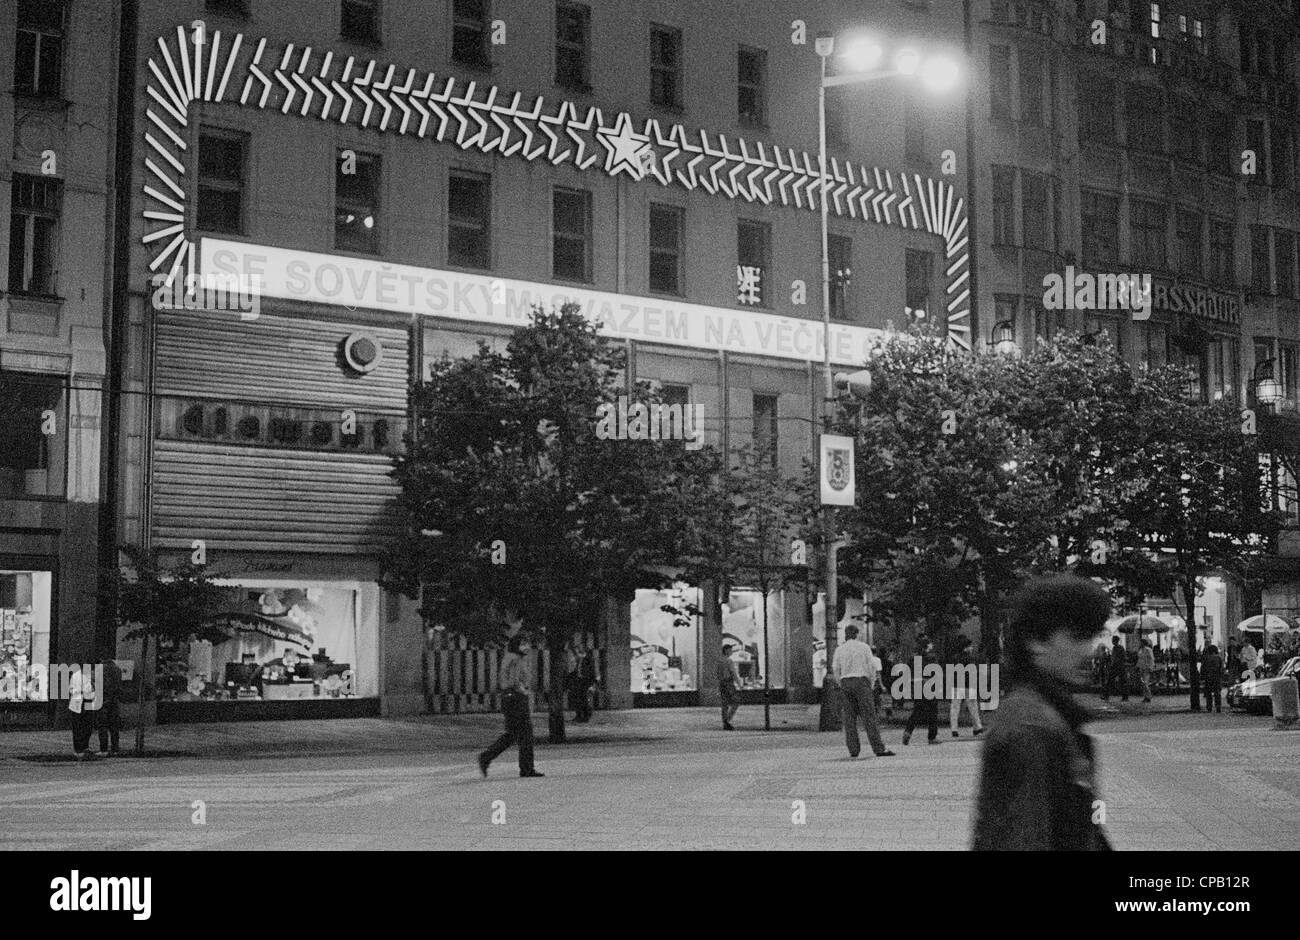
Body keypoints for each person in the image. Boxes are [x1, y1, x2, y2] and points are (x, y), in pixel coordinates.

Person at [971, 574, 1113, 851]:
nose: (1089, 651)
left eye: (1093, 636)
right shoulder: (1031, 728)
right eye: (1077, 637)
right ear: (1036, 642)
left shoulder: (1050, 715)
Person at [478, 634, 544, 778]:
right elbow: (514, 680)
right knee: (526, 734)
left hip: (509, 698)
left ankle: (486, 757)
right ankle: (526, 768)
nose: (526, 647)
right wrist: (523, 691)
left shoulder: (511, 657)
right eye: (523, 644)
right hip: (516, 698)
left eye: (527, 644)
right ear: (516, 645)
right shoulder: (515, 659)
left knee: (513, 734)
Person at [832, 624, 895, 759]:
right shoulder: (864, 647)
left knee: (849, 718)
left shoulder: (839, 649)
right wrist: (871, 684)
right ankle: (878, 748)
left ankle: (853, 750)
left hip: (845, 682)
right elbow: (871, 667)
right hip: (862, 681)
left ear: (846, 634)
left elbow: (835, 668)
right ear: (856, 634)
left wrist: (841, 682)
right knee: (869, 716)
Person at [902, 635, 940, 746]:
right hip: (928, 684)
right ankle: (932, 737)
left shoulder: (913, 658)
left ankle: (908, 731)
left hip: (917, 685)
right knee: (933, 710)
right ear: (927, 646)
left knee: (917, 710)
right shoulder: (931, 658)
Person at [949, 635, 985, 737]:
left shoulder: (955, 658)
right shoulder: (971, 659)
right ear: (965, 648)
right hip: (969, 685)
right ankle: (977, 727)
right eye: (970, 646)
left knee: (955, 707)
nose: (972, 648)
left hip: (956, 685)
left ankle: (954, 729)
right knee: (973, 707)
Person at [67, 663, 99, 761]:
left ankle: (84, 746)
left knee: (87, 726)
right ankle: (78, 749)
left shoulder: (91, 676)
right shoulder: (76, 675)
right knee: (78, 726)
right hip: (78, 702)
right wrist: (80, 691)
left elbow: (94, 688)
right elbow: (71, 689)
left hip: (87, 702)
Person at [96, 658, 123, 756]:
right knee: (114, 726)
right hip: (114, 700)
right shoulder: (118, 669)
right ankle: (115, 748)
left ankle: (104, 750)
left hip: (103, 699)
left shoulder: (99, 669)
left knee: (102, 725)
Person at [718, 643, 742, 730]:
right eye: (730, 650)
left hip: (721, 683)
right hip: (728, 683)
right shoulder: (729, 661)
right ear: (726, 651)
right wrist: (739, 684)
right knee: (736, 701)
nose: (732, 651)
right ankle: (727, 720)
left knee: (724, 704)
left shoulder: (720, 660)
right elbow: (733, 673)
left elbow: (717, 673)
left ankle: (725, 721)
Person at [1102, 635, 1128, 702]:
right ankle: (1106, 696)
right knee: (1112, 681)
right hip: (1115, 667)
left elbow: (1123, 657)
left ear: (1116, 641)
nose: (1112, 641)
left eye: (1113, 640)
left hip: (1119, 667)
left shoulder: (1120, 648)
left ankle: (1107, 696)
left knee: (1119, 681)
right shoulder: (1115, 648)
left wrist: (1115, 661)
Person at [1201, 644, 1224, 713]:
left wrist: (1202, 676)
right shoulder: (1219, 658)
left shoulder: (1206, 658)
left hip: (1208, 677)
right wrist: (1221, 676)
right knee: (1217, 693)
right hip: (1217, 677)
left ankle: (1209, 707)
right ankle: (1218, 707)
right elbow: (1221, 669)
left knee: (1208, 693)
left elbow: (1203, 668)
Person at [1137, 639, 1155, 703]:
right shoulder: (1140, 650)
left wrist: (1151, 667)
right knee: (1143, 683)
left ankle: (1148, 696)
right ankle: (1146, 696)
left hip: (1146, 668)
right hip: (1141, 667)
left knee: (1145, 683)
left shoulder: (1148, 650)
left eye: (1140, 643)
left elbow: (1151, 659)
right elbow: (1139, 659)